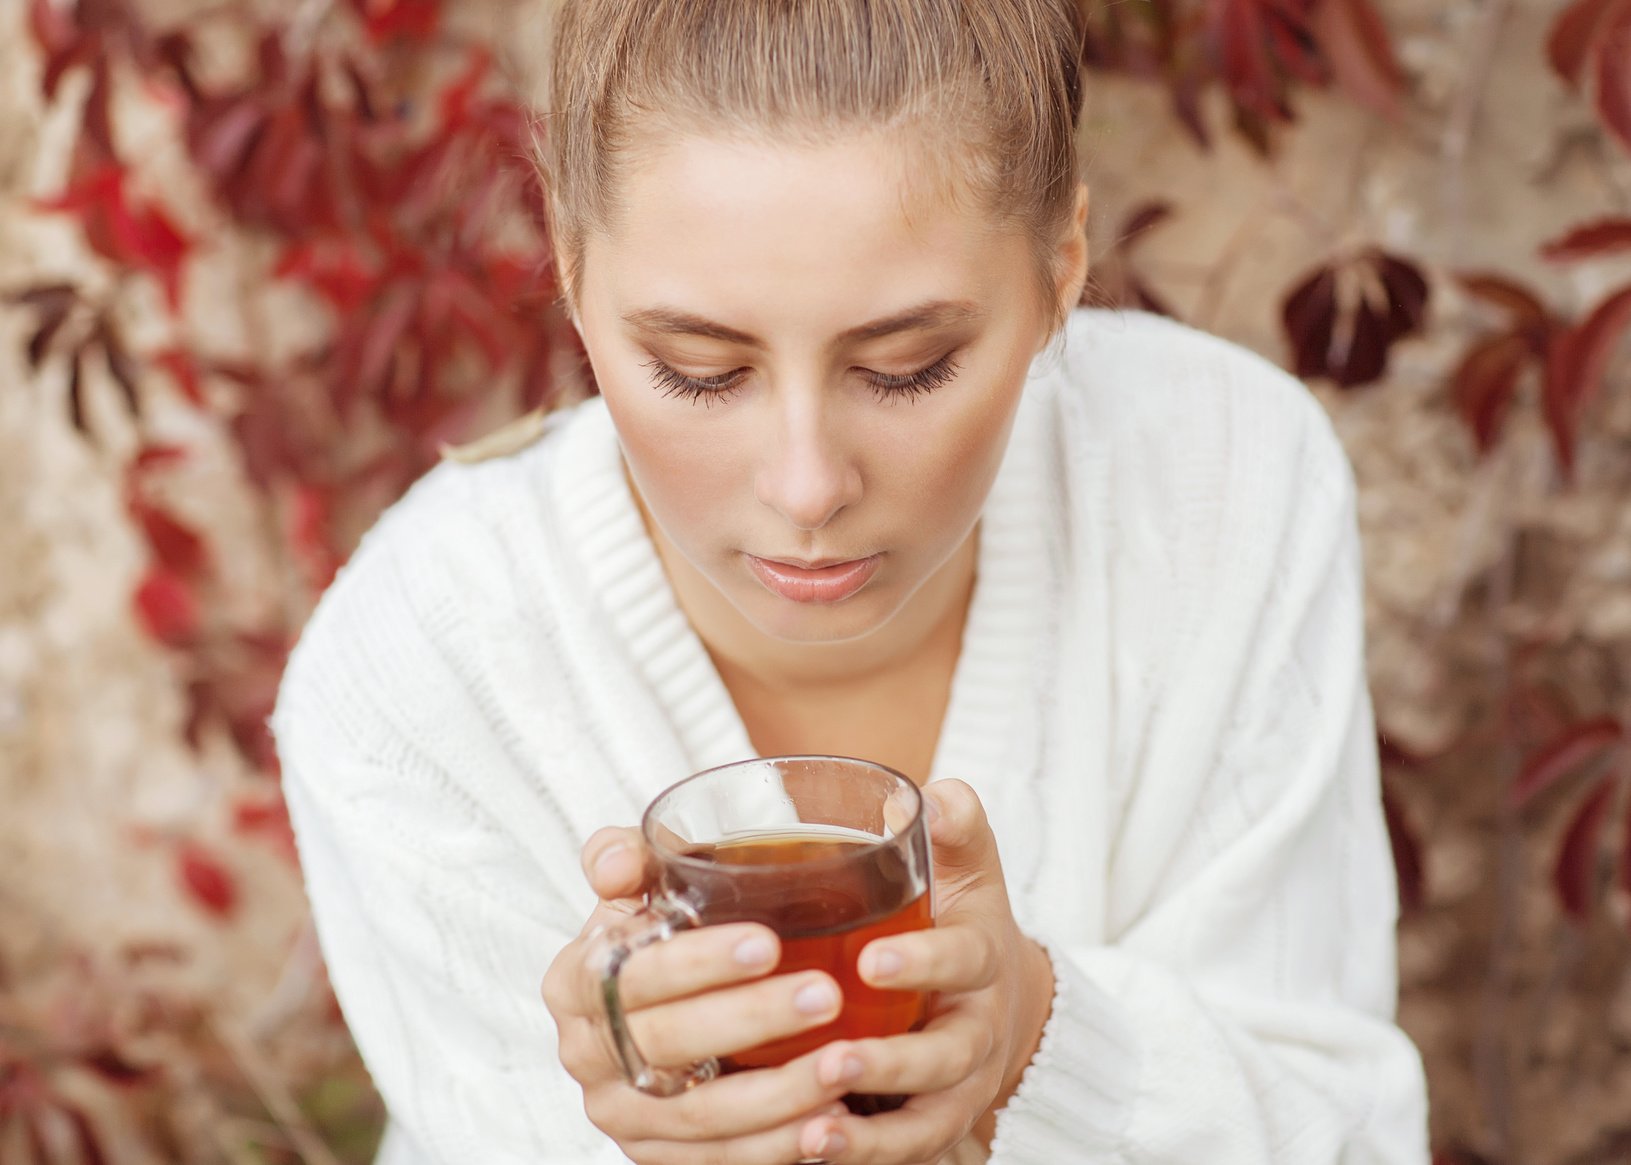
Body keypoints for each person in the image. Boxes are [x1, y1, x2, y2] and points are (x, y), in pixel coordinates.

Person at [270, 0, 1431, 1161]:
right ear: (572, 276)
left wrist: (1042, 1042)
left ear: (1059, 270)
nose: (806, 485)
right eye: (699, 372)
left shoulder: (1219, 480)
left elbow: (1343, 1131)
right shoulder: (415, 669)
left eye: (905, 368)